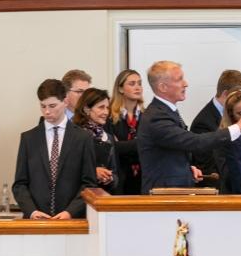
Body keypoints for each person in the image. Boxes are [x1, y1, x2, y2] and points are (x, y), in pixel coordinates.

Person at [137, 60, 241, 193]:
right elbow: (195, 142)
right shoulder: (157, 116)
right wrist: (239, 126)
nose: (186, 83)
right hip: (163, 196)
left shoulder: (166, 111)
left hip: (172, 193)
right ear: (163, 87)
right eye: (179, 79)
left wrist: (186, 170)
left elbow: (171, 152)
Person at [12, 78, 97, 220]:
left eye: (52, 106)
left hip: (72, 219)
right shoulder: (29, 138)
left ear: (65, 101)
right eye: (43, 106)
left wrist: (70, 212)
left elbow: (89, 184)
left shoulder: (83, 138)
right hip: (36, 220)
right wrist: (32, 211)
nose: (47, 112)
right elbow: (20, 184)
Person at [190, 68, 241, 177]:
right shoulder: (203, 123)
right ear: (225, 94)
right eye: (239, 94)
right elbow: (208, 168)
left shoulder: (236, 114)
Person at [73, 87, 119, 192]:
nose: (106, 112)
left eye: (107, 108)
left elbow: (115, 175)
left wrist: (110, 178)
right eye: (101, 107)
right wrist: (93, 172)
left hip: (101, 199)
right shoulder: (73, 134)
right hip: (77, 199)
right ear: (86, 109)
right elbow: (67, 171)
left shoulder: (108, 138)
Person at [110, 68, 143, 194]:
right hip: (120, 178)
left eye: (139, 83)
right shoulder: (109, 116)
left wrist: (125, 146)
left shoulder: (147, 115)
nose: (138, 87)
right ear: (120, 89)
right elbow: (113, 148)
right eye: (132, 83)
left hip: (142, 180)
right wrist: (140, 143)